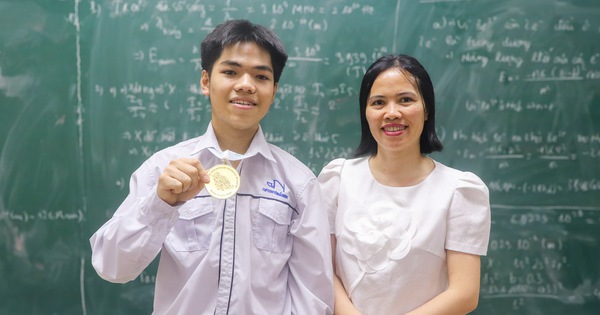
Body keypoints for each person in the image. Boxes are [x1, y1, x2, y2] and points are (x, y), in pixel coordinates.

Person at [90, 19, 334, 315]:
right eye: (230, 72)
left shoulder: (299, 183)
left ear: (274, 90)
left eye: (260, 76)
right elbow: (111, 266)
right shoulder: (163, 169)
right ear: (206, 81)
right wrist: (160, 203)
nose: (245, 85)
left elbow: (313, 296)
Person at [318, 54, 491, 315]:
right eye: (378, 103)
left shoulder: (459, 190)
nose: (392, 113)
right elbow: (321, 268)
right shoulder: (337, 179)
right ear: (366, 113)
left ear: (427, 108)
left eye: (405, 100)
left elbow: (464, 293)